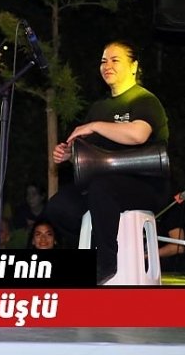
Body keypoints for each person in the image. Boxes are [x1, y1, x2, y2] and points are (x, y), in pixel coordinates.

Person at [44, 40, 169, 285]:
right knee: (58, 207)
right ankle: (91, 249)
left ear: (133, 66)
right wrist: (68, 154)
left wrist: (94, 126)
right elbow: (87, 152)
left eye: (115, 60)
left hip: (146, 184)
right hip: (103, 184)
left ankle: (106, 264)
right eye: (103, 61)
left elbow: (138, 135)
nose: (107, 65)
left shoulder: (145, 100)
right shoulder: (99, 107)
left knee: (102, 188)